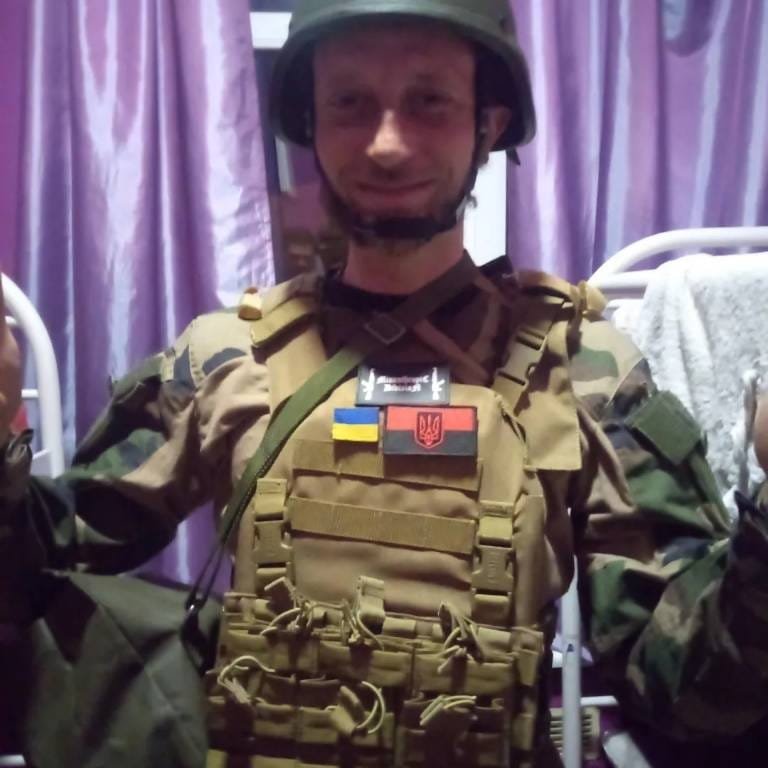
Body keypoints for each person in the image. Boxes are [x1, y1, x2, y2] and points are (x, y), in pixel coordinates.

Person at [2, 1, 768, 766]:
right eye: (350, 102)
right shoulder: (225, 360)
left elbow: (689, 693)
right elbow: (33, 568)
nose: (388, 143)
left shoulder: (584, 371)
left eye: (429, 100)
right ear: (310, 123)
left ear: (489, 125)